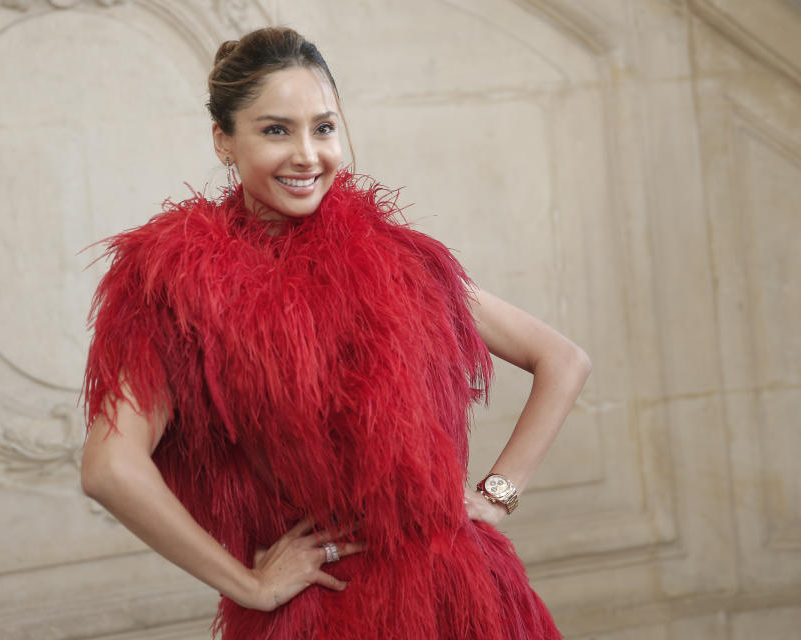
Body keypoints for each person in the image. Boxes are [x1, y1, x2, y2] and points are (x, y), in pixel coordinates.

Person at [80, 26, 591, 640]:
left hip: (462, 600)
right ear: (223, 141)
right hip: (329, 615)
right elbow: (110, 468)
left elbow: (562, 360)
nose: (307, 154)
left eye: (322, 127)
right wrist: (248, 585)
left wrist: (496, 496)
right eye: (276, 130)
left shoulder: (401, 258)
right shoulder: (183, 287)